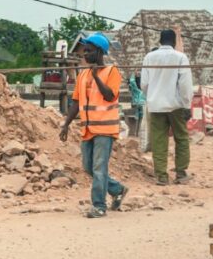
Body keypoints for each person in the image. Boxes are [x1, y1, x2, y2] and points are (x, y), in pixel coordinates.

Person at [59, 32, 128, 218]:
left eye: (88, 51)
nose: (85, 54)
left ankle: (99, 206)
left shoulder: (112, 72)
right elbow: (75, 102)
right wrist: (66, 124)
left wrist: (97, 76)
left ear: (99, 52)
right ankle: (117, 189)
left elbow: (109, 95)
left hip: (105, 129)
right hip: (88, 128)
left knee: (99, 167)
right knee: (88, 167)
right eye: (84, 51)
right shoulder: (82, 75)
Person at [141, 29, 194, 185]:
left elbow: (144, 84)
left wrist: (151, 96)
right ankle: (181, 173)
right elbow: (185, 85)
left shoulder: (149, 57)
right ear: (174, 42)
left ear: (160, 41)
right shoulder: (180, 57)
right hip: (176, 105)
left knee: (158, 141)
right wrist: (186, 104)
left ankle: (162, 176)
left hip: (156, 105)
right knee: (182, 138)